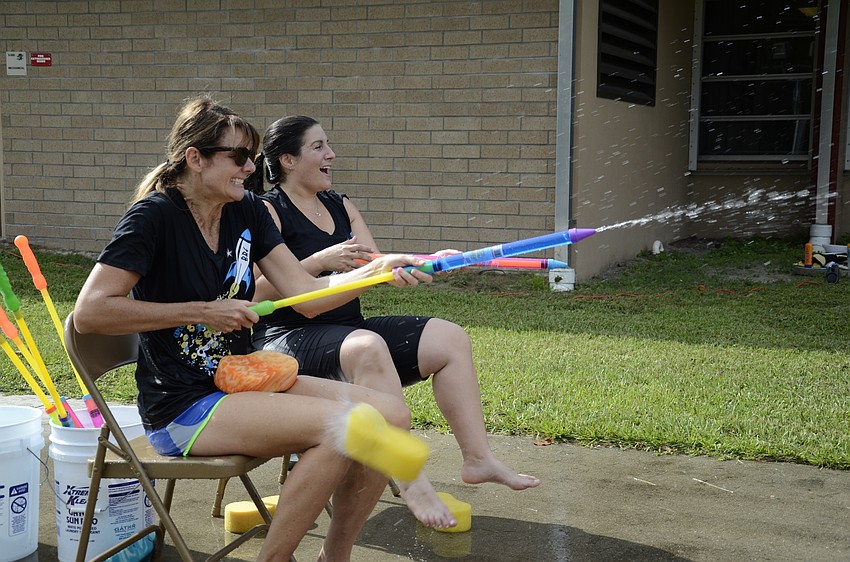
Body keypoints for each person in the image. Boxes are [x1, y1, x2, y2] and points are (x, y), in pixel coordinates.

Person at [72, 97, 435, 562]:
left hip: (242, 378)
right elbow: (91, 312)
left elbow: (307, 293)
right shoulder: (154, 218)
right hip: (183, 406)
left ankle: (334, 554)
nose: (251, 167)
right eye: (239, 156)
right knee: (347, 429)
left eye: (253, 155)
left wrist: (378, 270)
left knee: (390, 414)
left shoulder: (247, 211)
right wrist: (200, 311)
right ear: (195, 158)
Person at [246, 115, 540, 530]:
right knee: (368, 346)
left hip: (346, 329)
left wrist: (433, 261)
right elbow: (257, 292)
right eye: (318, 147)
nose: (331, 154)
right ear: (288, 160)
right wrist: (316, 261)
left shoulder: (341, 205)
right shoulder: (267, 211)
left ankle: (478, 459)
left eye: (328, 144)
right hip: (288, 337)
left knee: (448, 338)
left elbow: (377, 267)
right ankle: (410, 476)